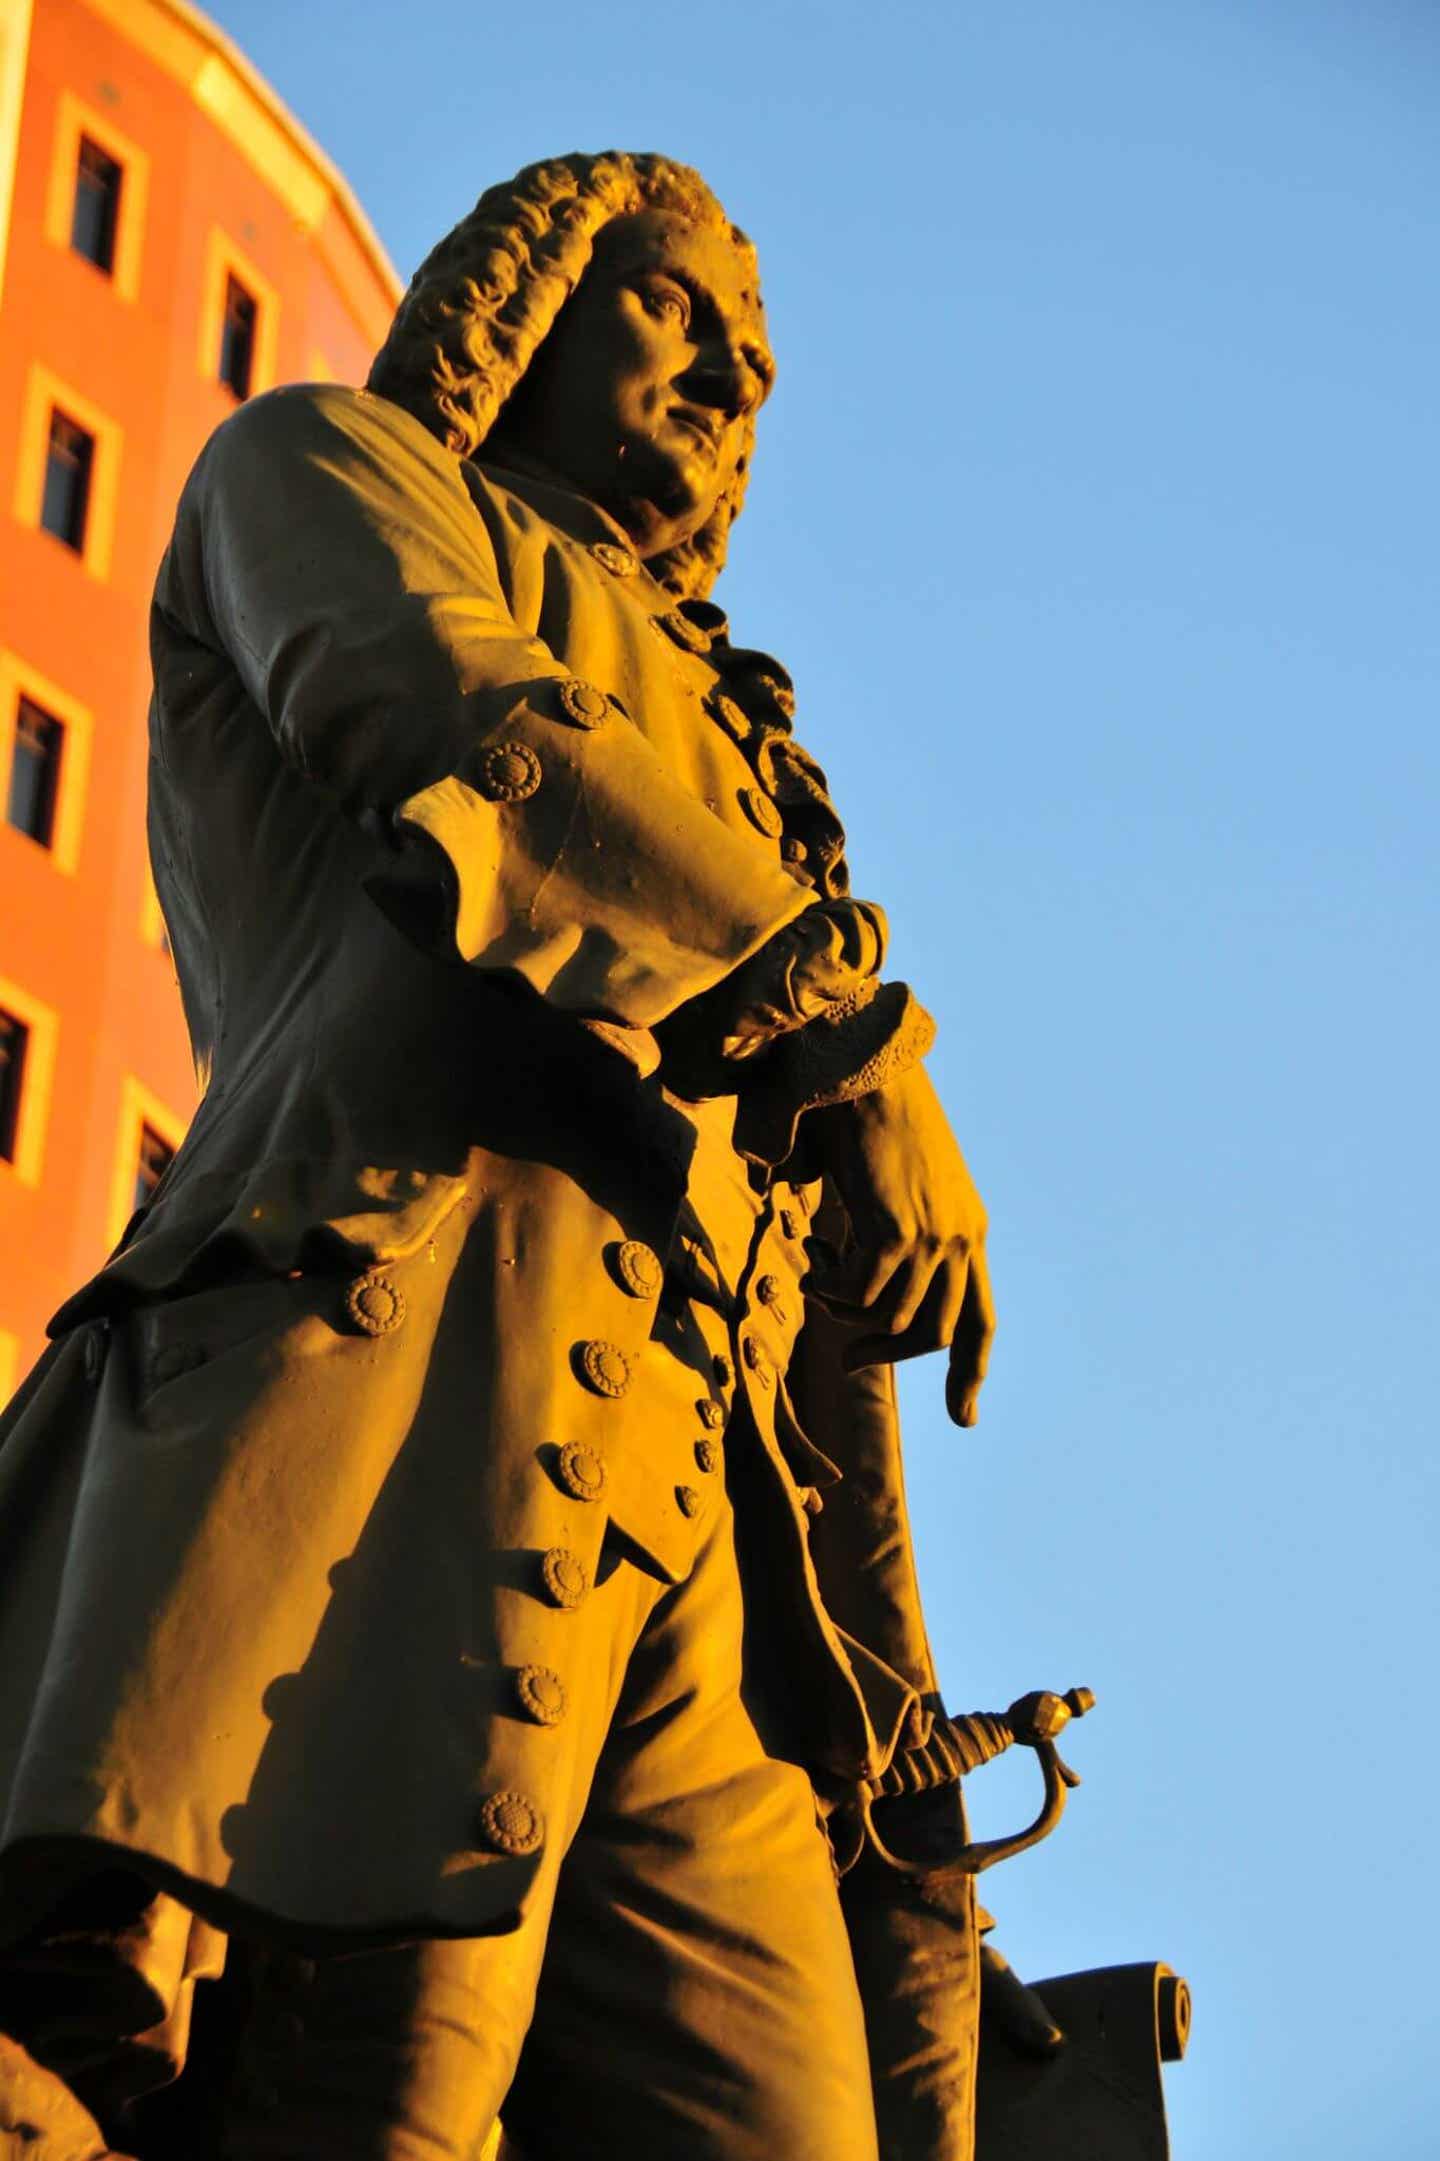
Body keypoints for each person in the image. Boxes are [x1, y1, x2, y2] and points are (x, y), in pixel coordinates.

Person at [0, 151, 994, 2160]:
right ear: (526, 301)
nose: (727, 383)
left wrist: (902, 1792)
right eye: (677, 307)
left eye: (759, 366)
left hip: (697, 1614)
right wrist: (847, 1035)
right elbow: (452, 718)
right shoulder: (318, 473)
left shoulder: (755, 787)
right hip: (381, 1462)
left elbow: (810, 1343)